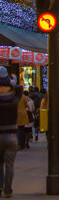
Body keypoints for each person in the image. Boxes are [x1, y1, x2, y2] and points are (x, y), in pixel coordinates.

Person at [0, 67, 19, 197]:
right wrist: (14, 82)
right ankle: (8, 190)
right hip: (11, 136)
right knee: (9, 165)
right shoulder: (14, 101)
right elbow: (20, 90)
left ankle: (0, 187)